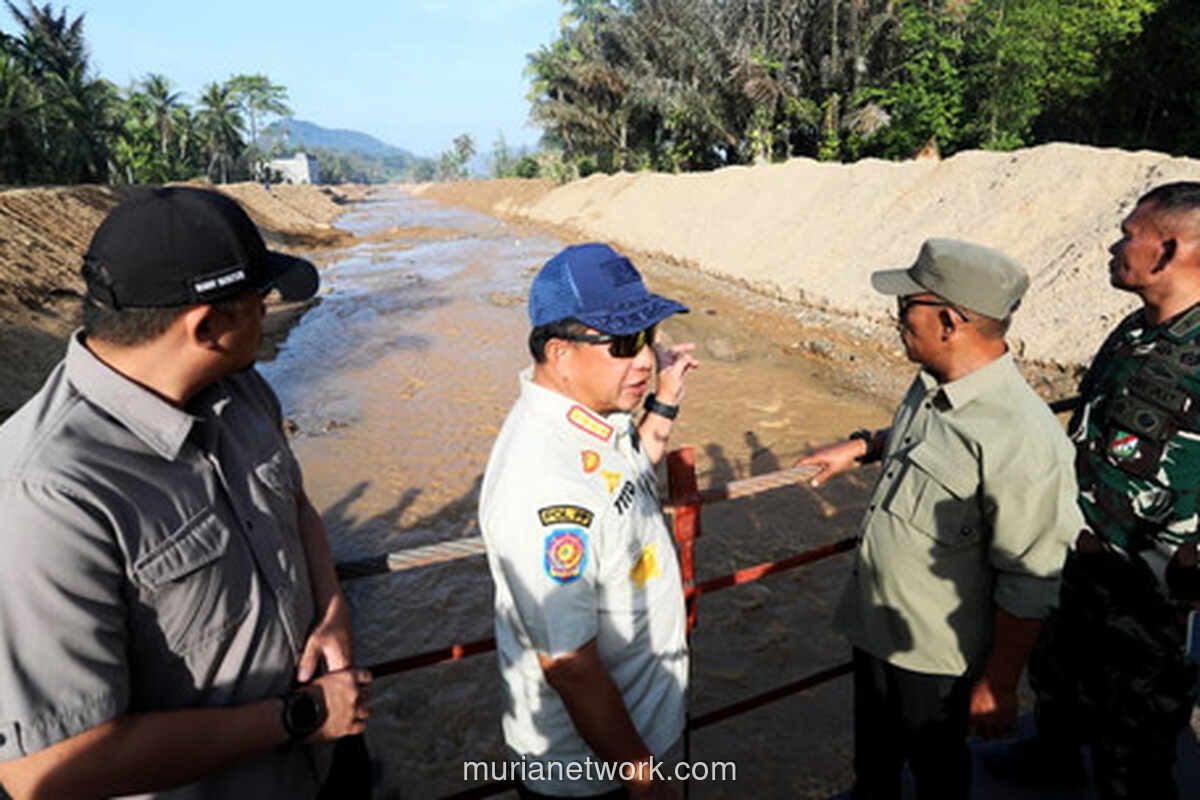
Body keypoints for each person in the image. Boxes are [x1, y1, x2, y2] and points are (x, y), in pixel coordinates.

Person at [0, 187, 371, 799]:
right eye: (259, 299)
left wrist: (333, 612)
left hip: (323, 767)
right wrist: (297, 718)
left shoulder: (242, 392)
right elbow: (44, 770)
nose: (267, 311)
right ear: (208, 326)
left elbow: (295, 504)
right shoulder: (48, 495)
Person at [799, 238, 1082, 799]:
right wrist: (862, 446)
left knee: (938, 775)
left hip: (936, 657)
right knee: (874, 767)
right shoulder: (934, 381)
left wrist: (999, 685)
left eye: (906, 309)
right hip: (877, 623)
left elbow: (1033, 576)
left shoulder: (1022, 438)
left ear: (949, 321)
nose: (898, 321)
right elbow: (918, 443)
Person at [992, 182, 1200, 798]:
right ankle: (1047, 763)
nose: (1113, 247)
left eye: (1127, 236)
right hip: (1079, 558)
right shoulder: (1137, 330)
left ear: (1167, 251)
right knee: (1059, 684)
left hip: (1150, 587)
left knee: (1134, 749)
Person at [478, 243, 698, 799]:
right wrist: (644, 777)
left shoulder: (593, 419)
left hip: (642, 722)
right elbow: (570, 665)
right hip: (594, 769)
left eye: (648, 337)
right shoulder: (545, 484)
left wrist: (665, 399)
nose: (646, 359)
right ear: (561, 353)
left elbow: (623, 478)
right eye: (624, 343)